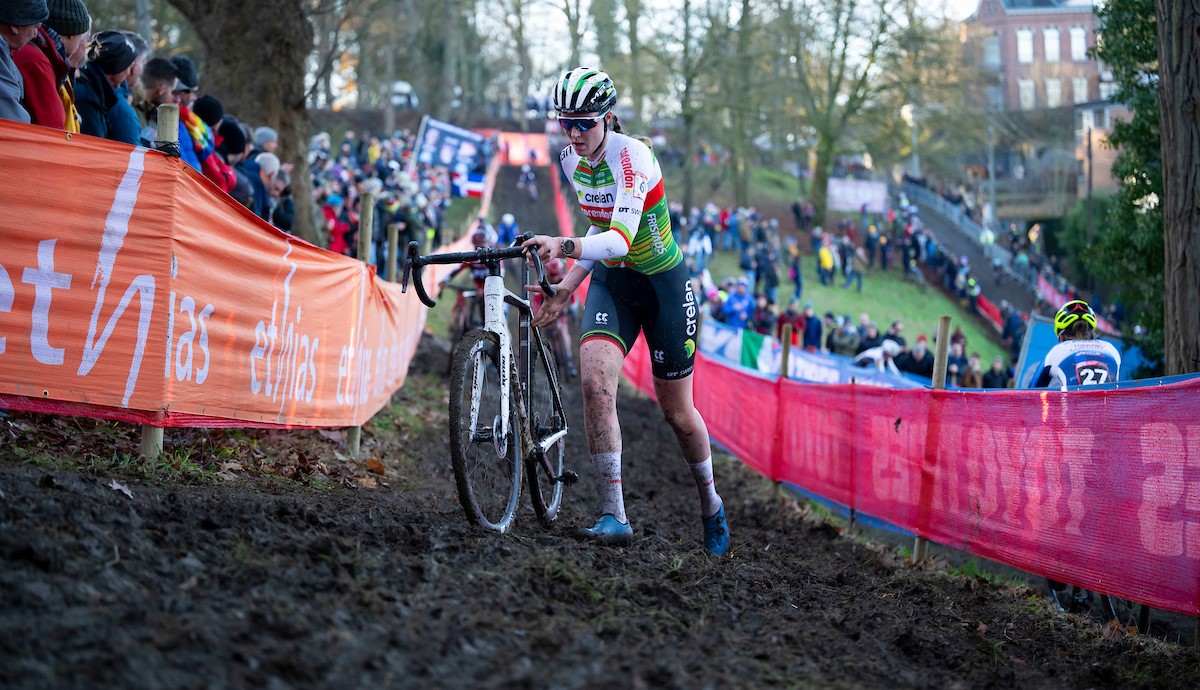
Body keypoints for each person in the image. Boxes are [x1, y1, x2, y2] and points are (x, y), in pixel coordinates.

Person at [522, 67, 729, 555]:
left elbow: (619, 240)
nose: (573, 134)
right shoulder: (572, 159)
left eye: (584, 123)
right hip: (614, 283)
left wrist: (562, 245)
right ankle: (614, 514)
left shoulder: (631, 155)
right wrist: (568, 288)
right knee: (594, 384)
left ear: (608, 118)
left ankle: (712, 504)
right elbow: (598, 237)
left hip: (663, 286)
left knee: (678, 415)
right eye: (565, 123)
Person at [1031, 300, 1120, 390]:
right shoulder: (1110, 349)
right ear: (1092, 333)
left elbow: (1031, 391)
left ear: (1061, 337)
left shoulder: (1057, 351)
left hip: (1075, 403)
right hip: (1108, 403)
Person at [1, 0, 50, 123]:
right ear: (15, 25)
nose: (35, 35)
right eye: (35, 27)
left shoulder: (6, 52)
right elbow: (14, 121)